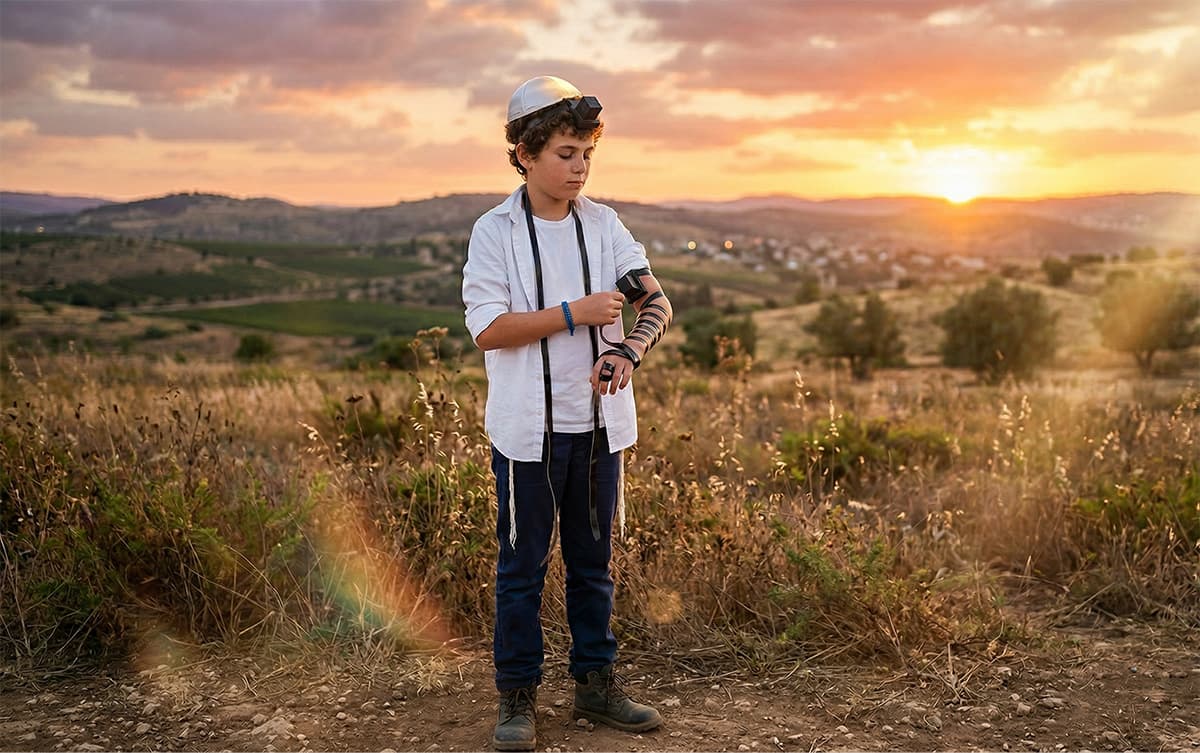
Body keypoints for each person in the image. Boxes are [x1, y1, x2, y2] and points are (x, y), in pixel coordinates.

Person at [462, 75, 674, 752]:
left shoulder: (605, 225)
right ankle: (517, 696)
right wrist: (574, 315)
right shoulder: (494, 232)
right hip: (528, 433)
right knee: (521, 569)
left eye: (586, 152)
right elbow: (488, 330)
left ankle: (596, 684)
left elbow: (658, 304)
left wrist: (629, 355)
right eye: (564, 152)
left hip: (598, 429)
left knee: (593, 564)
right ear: (524, 152)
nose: (579, 166)